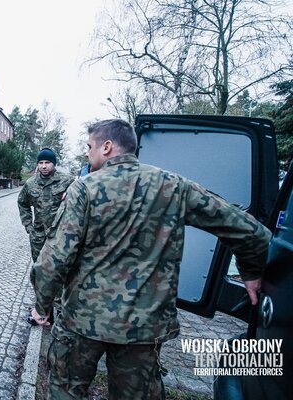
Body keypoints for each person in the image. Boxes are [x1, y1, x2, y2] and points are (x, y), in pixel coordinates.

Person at [30, 119, 271, 399]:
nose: (87, 153)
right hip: (142, 329)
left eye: (89, 146)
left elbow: (54, 259)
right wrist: (252, 270)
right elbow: (250, 230)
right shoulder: (173, 186)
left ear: (107, 147)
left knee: (66, 391)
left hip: (82, 323)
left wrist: (42, 305)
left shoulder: (84, 189)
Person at [17, 148, 75, 262]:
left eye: (47, 162)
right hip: (38, 235)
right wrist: (28, 226)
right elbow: (22, 203)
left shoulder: (67, 181)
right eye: (41, 163)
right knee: (38, 265)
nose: (44, 166)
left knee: (59, 266)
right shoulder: (30, 183)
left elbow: (76, 204)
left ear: (54, 163)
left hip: (60, 235)